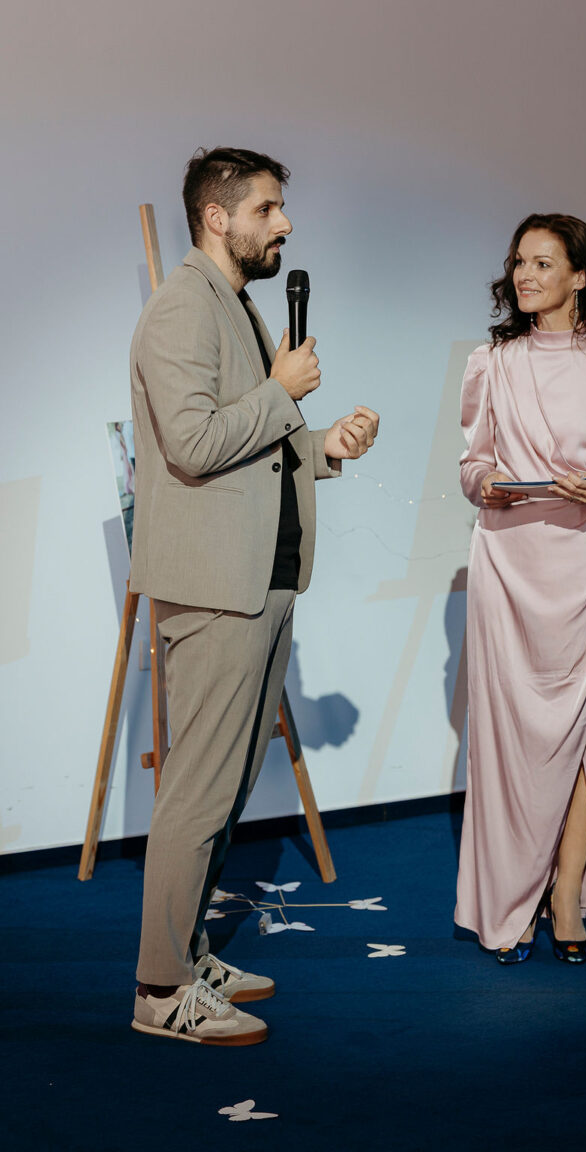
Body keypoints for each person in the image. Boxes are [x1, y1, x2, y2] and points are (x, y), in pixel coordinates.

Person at [129, 147, 379, 1044]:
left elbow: (254, 447)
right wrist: (281, 392)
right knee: (198, 793)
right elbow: (194, 444)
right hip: (215, 587)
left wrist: (324, 444)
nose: (284, 224)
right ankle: (160, 991)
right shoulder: (180, 309)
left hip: (260, 577)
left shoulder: (234, 303)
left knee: (228, 786)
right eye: (267, 209)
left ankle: (189, 953)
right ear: (216, 217)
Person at [454, 213, 586, 966]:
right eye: (519, 262)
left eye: (543, 263)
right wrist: (487, 483)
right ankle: (510, 900)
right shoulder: (492, 361)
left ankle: (566, 891)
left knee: (577, 737)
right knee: (508, 741)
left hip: (581, 564)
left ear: (579, 276)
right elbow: (471, 465)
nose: (525, 275)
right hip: (507, 564)